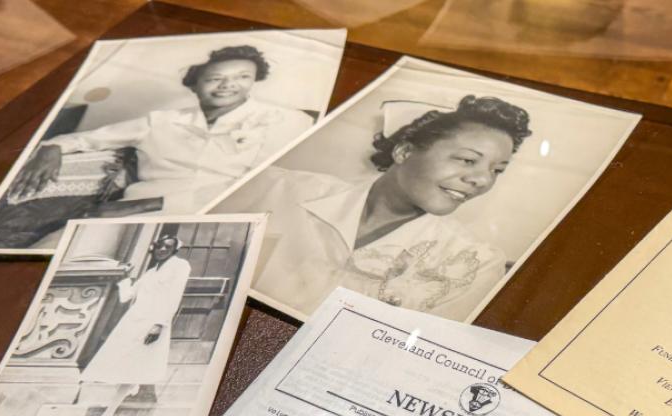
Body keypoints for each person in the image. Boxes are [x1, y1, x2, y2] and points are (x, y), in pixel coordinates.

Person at [218, 95, 532, 321]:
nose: (481, 180)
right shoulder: (275, 189)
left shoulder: (473, 264)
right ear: (405, 151)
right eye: (467, 159)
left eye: (497, 170)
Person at [7, 44, 313, 217]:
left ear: (254, 81)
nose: (228, 85)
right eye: (215, 78)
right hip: (130, 213)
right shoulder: (160, 121)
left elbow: (262, 186)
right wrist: (52, 148)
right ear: (194, 85)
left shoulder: (284, 120)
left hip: (217, 214)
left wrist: (145, 205)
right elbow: (86, 139)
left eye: (242, 77)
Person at [78, 234, 191, 416]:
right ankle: (129, 389)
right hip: (132, 322)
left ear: (174, 250)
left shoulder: (180, 266)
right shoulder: (149, 273)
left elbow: (174, 297)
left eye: (167, 247)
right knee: (125, 364)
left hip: (152, 323)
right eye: (159, 246)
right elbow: (126, 297)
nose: (162, 249)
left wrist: (159, 324)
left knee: (132, 368)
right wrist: (125, 277)